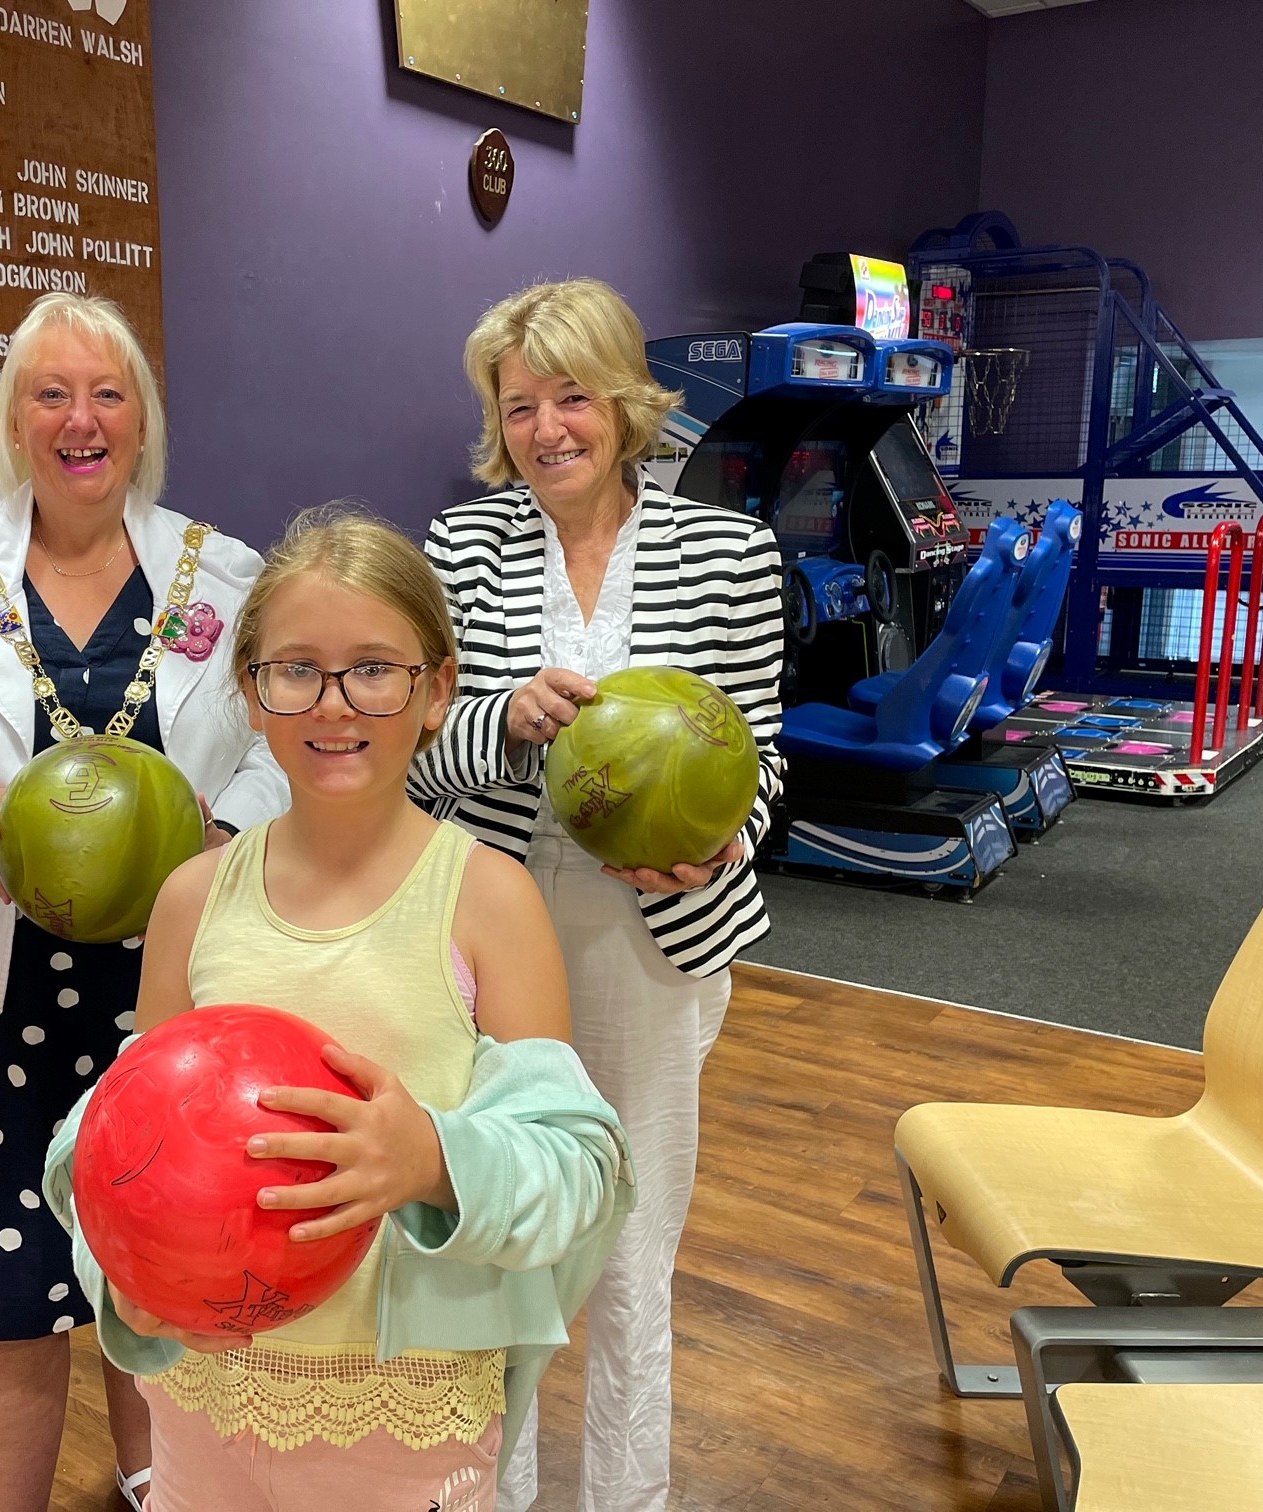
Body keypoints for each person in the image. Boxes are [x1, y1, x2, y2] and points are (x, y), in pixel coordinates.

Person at [43, 509, 634, 1512]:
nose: (334, 701)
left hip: (407, 1418)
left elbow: (580, 1169)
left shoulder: (490, 900)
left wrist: (432, 1158)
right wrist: (115, 1257)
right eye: (297, 670)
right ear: (253, 692)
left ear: (437, 688)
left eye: (373, 668)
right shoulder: (194, 898)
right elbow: (111, 1136)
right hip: (205, 1400)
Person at [0, 292, 287, 1512]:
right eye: (52, 393)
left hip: (171, 994)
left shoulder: (219, 571)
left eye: (108, 393)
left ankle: (159, 1486)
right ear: (16, 421)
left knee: (164, 1271)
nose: (82, 419)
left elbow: (275, 740)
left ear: (142, 420)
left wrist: (224, 827)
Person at [410, 278, 787, 1512]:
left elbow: (761, 759)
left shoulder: (730, 552)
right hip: (494, 920)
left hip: (652, 931)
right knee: (497, 1230)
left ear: (625, 402)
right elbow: (416, 745)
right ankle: (491, 1493)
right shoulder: (457, 548)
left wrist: (721, 847)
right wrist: (506, 721)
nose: (547, 428)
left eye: (572, 397)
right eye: (521, 406)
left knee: (630, 1249)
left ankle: (629, 1501)